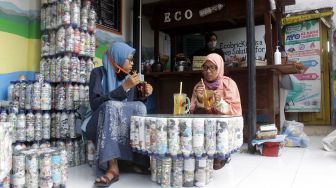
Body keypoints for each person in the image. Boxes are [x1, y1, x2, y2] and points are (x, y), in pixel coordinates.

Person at [86, 42, 153, 187]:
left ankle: (136, 160)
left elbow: (128, 108)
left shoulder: (127, 78)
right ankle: (112, 167)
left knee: (140, 107)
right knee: (110, 106)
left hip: (118, 124)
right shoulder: (98, 73)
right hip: (97, 123)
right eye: (129, 59)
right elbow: (96, 104)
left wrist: (144, 95)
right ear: (117, 58)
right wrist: (123, 88)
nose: (132, 63)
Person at [190, 53, 242, 170]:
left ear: (219, 68)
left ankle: (222, 154)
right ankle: (201, 151)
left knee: (221, 125)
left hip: (223, 124)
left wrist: (220, 103)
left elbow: (235, 111)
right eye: (205, 67)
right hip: (206, 125)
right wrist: (199, 99)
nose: (208, 71)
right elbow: (192, 113)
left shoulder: (228, 84)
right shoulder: (199, 86)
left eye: (213, 67)